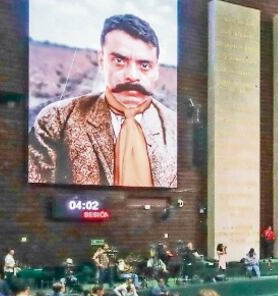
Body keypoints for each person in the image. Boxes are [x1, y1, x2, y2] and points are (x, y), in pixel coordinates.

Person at [29, 14, 177, 187]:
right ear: (101, 61)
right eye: (119, 60)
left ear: (156, 70)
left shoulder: (175, 129)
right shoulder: (57, 119)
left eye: (144, 65)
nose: (133, 76)